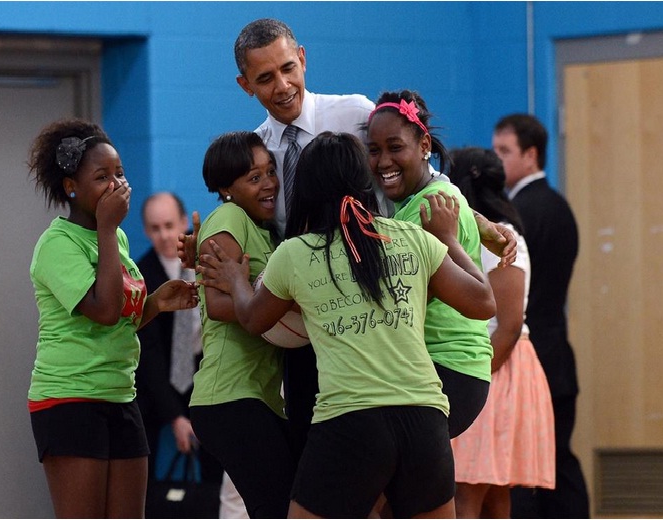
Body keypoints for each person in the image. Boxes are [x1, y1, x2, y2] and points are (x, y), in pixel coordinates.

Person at [225, 18, 516, 459]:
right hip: (315, 318)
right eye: (265, 78)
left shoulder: (355, 114)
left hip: (388, 319)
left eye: (288, 68)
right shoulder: (258, 151)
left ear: (302, 59)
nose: (282, 85)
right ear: (246, 85)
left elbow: (423, 178)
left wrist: (483, 224)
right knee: (319, 453)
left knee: (376, 460)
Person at [198, 131, 496, 518]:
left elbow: (254, 319)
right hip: (424, 419)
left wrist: (238, 282)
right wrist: (450, 240)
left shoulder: (295, 253)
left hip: (350, 419)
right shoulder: (412, 238)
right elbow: (483, 302)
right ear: (363, 182)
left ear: (305, 188)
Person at [26, 118, 199, 518]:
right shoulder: (57, 244)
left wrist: (156, 303)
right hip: (69, 398)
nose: (117, 184)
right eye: (102, 177)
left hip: (120, 394)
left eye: (119, 173)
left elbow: (122, 317)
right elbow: (103, 311)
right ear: (71, 187)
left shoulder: (116, 239)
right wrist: (106, 228)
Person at [366, 90, 505, 438]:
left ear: (424, 145)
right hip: (448, 369)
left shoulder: (431, 207)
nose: (383, 161)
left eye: (395, 147)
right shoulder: (418, 202)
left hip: (446, 368)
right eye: (374, 150)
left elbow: (396, 298)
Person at [188, 131, 295, 518]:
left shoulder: (264, 228)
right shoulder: (229, 217)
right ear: (225, 188)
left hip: (257, 395)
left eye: (270, 172)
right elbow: (217, 305)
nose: (269, 184)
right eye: (254, 178)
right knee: (280, 509)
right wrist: (289, 304)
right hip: (228, 396)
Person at [445, 147, 555, 518]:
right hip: (495, 364)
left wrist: (471, 379)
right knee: (490, 491)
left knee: (469, 489)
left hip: (497, 364)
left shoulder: (500, 237)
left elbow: (507, 327)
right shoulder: (488, 232)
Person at [492, 114, 589, 518]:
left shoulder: (517, 216)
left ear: (530, 155)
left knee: (525, 475)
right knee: (558, 465)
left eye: (504, 152)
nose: (497, 162)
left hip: (533, 360)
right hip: (558, 357)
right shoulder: (559, 206)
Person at [135, 192, 223, 497]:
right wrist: (175, 416)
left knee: (217, 427)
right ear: (146, 230)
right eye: (155, 228)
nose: (164, 235)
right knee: (138, 424)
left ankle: (212, 505)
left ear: (184, 222)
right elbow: (150, 355)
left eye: (169, 225)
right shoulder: (141, 273)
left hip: (202, 374)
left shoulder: (205, 261)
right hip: (159, 382)